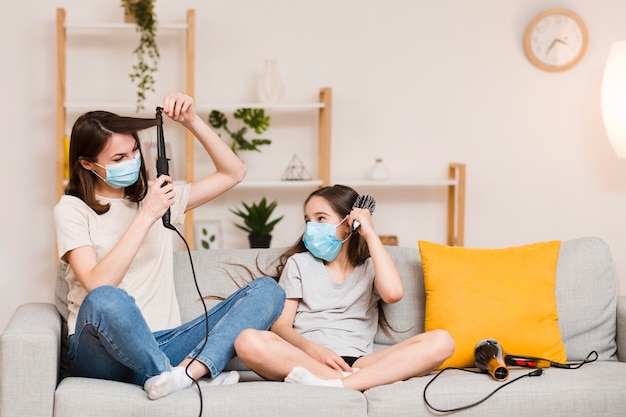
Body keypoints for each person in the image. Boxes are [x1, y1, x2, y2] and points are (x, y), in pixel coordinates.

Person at [53, 93, 286, 400]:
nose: (132, 162)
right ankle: (172, 373)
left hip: (165, 340)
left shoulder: (160, 197)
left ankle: (185, 373)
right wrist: (147, 215)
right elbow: (98, 283)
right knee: (106, 299)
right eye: (119, 159)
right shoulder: (72, 209)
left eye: (134, 151)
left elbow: (234, 172)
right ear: (87, 163)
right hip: (102, 352)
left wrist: (192, 121)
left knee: (269, 291)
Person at [234, 185, 455, 390]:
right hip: (307, 358)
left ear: (349, 223)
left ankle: (336, 385)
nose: (311, 227)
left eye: (321, 218)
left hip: (359, 362)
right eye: (308, 220)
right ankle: (350, 383)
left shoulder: (372, 265)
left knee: (441, 341)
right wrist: (314, 350)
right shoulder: (299, 263)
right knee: (247, 341)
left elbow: (394, 293)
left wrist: (369, 233)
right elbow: (281, 327)